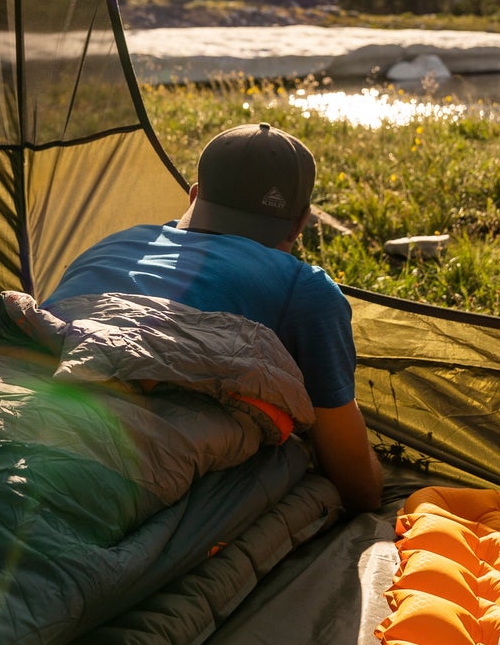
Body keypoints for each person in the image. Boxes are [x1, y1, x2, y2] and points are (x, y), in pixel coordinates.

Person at [45, 121, 383, 513]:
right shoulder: (303, 287)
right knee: (290, 463)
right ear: (301, 222)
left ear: (194, 196)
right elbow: (356, 485)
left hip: (16, 401)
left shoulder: (112, 244)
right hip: (112, 470)